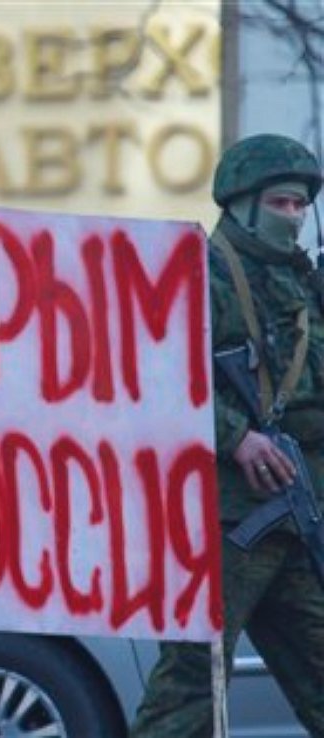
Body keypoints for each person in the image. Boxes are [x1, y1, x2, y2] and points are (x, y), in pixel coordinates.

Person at [130, 134, 324, 736]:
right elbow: (156, 375)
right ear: (241, 203)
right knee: (189, 684)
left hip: (297, 512)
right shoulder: (198, 273)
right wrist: (236, 436)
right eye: (279, 203)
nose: (291, 217)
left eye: (299, 205)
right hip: (224, 525)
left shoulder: (304, 285)